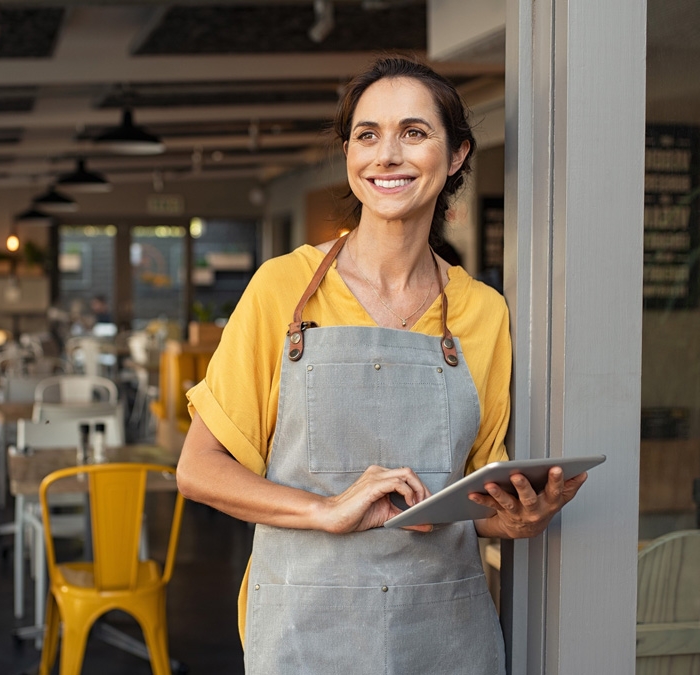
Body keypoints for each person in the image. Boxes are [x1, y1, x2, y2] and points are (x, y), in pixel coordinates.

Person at [175, 56, 588, 674]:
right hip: (303, 633)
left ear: (455, 156)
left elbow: (474, 500)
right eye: (367, 135)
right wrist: (324, 510)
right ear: (349, 154)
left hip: (443, 633)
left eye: (414, 133)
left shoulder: (482, 313)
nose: (386, 155)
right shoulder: (282, 289)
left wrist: (515, 521)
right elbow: (198, 470)